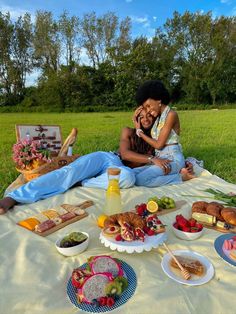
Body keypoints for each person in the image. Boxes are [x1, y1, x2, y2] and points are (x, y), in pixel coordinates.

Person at [0, 108, 192, 214]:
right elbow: (125, 153)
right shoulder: (129, 131)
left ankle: (83, 182)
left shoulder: (157, 141)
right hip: (107, 158)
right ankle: (15, 197)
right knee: (68, 172)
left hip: (119, 172)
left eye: (150, 115)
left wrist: (184, 168)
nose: (146, 118)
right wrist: (143, 141)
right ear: (136, 117)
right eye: (141, 115)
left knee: (127, 177)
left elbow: (171, 156)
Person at [132, 80, 195, 187]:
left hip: (172, 158)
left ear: (158, 100)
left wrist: (139, 131)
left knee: (140, 180)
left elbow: (159, 144)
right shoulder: (158, 118)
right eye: (145, 107)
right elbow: (146, 121)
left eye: (148, 106)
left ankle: (181, 177)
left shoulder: (171, 115)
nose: (147, 111)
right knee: (132, 173)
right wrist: (136, 118)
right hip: (161, 158)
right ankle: (179, 173)